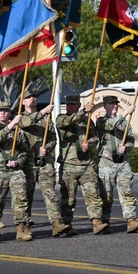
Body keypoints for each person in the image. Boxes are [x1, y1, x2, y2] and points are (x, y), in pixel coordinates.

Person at [20, 90, 70, 237]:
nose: (32, 99)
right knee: (25, 195)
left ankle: (56, 223)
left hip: (44, 162)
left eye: (34, 97)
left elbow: (53, 139)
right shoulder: (20, 118)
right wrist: (43, 111)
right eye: (28, 97)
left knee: (50, 193)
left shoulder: (46, 119)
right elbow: (26, 123)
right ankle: (25, 225)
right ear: (23, 102)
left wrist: (47, 149)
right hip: (27, 162)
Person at [56, 95, 108, 235]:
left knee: (93, 194)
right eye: (68, 104)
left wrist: (89, 144)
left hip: (87, 165)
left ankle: (97, 222)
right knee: (68, 198)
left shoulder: (87, 120)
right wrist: (84, 111)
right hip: (69, 165)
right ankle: (67, 224)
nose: (70, 107)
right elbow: (68, 122)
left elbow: (95, 138)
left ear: (78, 105)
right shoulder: (61, 118)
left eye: (73, 104)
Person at [95, 96, 138, 233]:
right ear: (105, 106)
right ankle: (104, 222)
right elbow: (111, 126)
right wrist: (126, 113)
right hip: (107, 162)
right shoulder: (101, 121)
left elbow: (131, 140)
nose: (115, 106)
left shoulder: (125, 123)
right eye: (111, 104)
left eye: (116, 104)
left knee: (127, 192)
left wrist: (127, 148)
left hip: (122, 162)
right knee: (106, 194)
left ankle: (131, 220)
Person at [0, 102, 32, 241]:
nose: (3, 113)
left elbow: (25, 151)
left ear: (10, 113)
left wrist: (18, 162)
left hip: (15, 170)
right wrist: (12, 125)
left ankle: (21, 229)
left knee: (21, 199)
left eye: (6, 111)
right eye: (0, 111)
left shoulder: (19, 131)